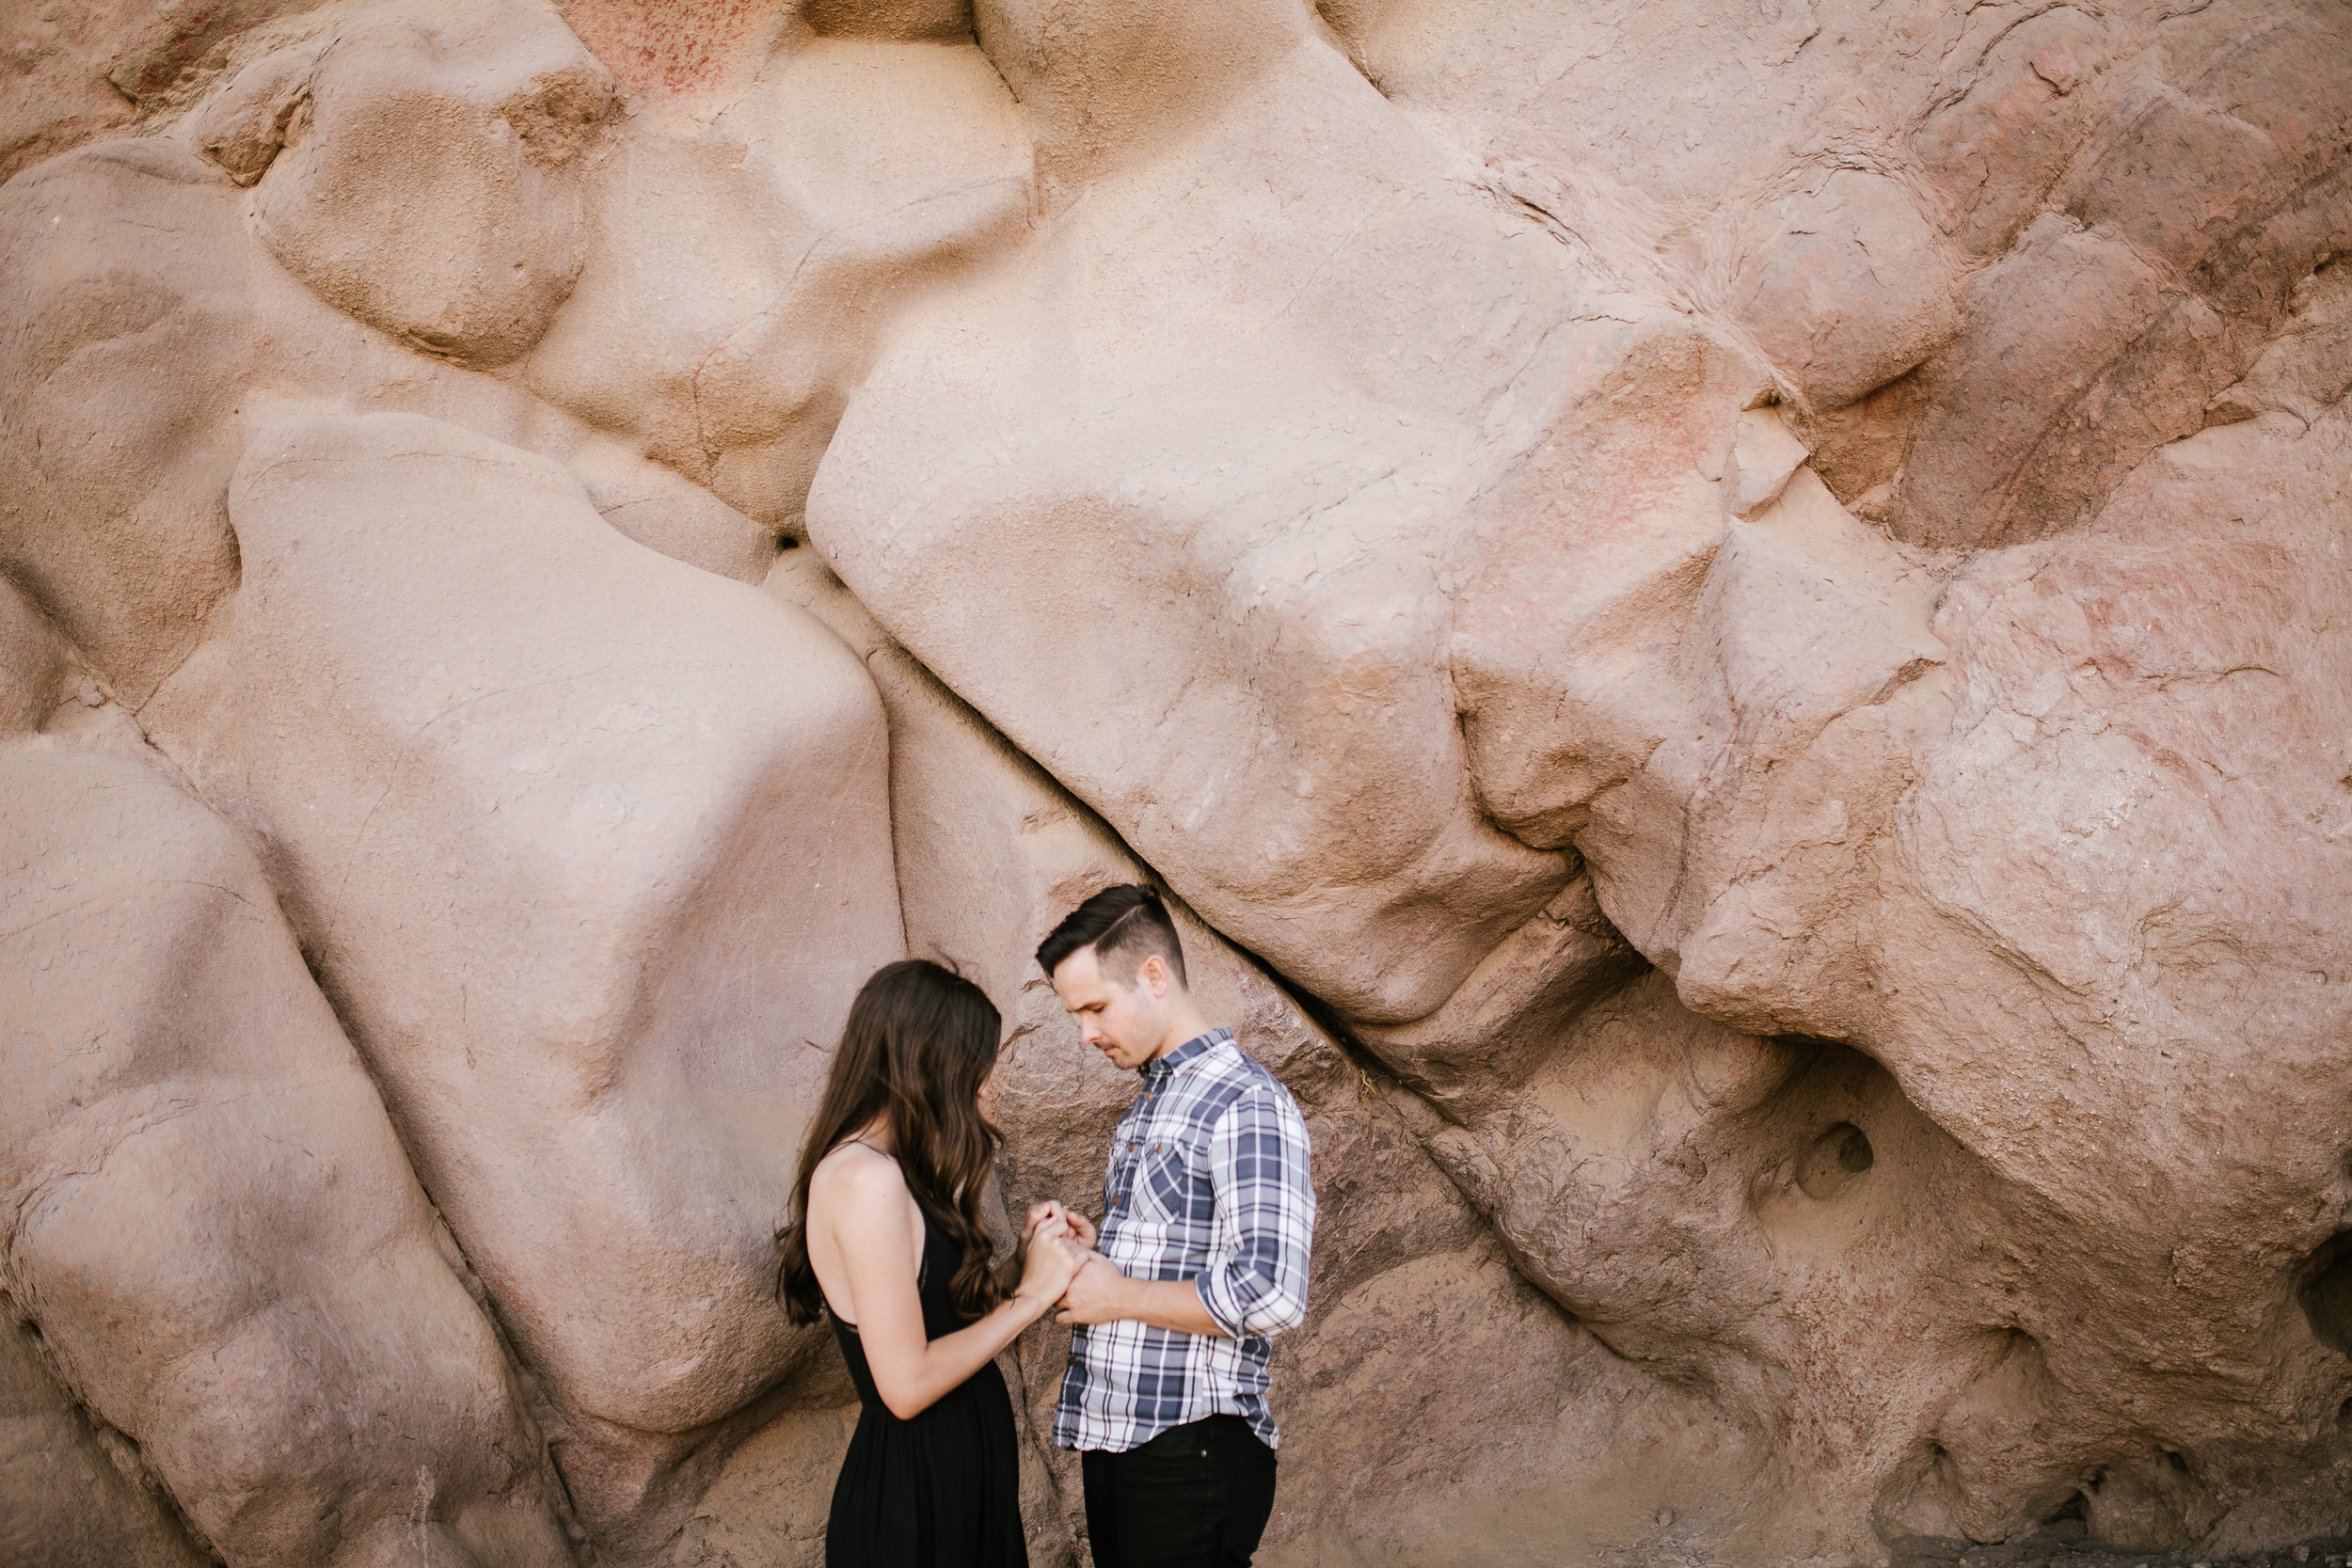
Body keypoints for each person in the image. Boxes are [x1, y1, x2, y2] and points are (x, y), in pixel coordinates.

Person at [1035, 885, 1318, 1568]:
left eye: (1096, 1007)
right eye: (1076, 1014)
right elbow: (1182, 1253)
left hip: (1190, 1448)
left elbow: (1272, 1291)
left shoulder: (1244, 1101)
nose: (1087, 1033)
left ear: (1154, 975)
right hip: (1124, 1443)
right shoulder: (1143, 1112)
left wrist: (1118, 1295)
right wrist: (1093, 1252)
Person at [778, 958, 1087, 1568]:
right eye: (977, 1068)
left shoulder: (890, 1170)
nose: (987, 1087)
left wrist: (1024, 1263)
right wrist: (1030, 1300)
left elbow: (937, 1322)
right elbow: (906, 1385)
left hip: (954, 1482)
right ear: (932, 1063)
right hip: (917, 1502)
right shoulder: (864, 1179)